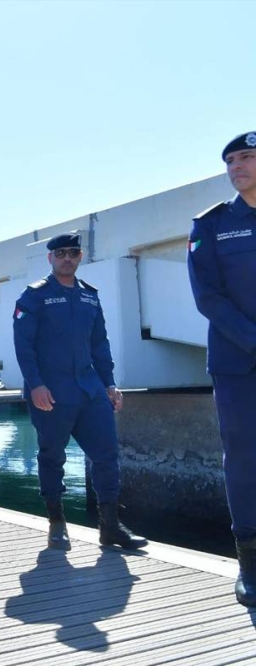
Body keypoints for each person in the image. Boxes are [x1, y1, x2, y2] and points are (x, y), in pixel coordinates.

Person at [12, 232, 147, 553]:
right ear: (50, 258)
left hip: (90, 390)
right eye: (60, 254)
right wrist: (35, 384)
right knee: (52, 456)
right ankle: (57, 524)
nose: (67, 258)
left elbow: (99, 343)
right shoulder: (34, 296)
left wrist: (109, 383)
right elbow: (23, 346)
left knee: (107, 455)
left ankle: (110, 526)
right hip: (51, 392)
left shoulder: (90, 295)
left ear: (80, 256)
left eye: (73, 253)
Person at [187, 131, 256, 607]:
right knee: (244, 459)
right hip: (237, 364)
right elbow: (207, 296)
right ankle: (249, 562)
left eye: (246, 157)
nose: (237, 167)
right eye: (231, 161)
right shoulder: (211, 225)